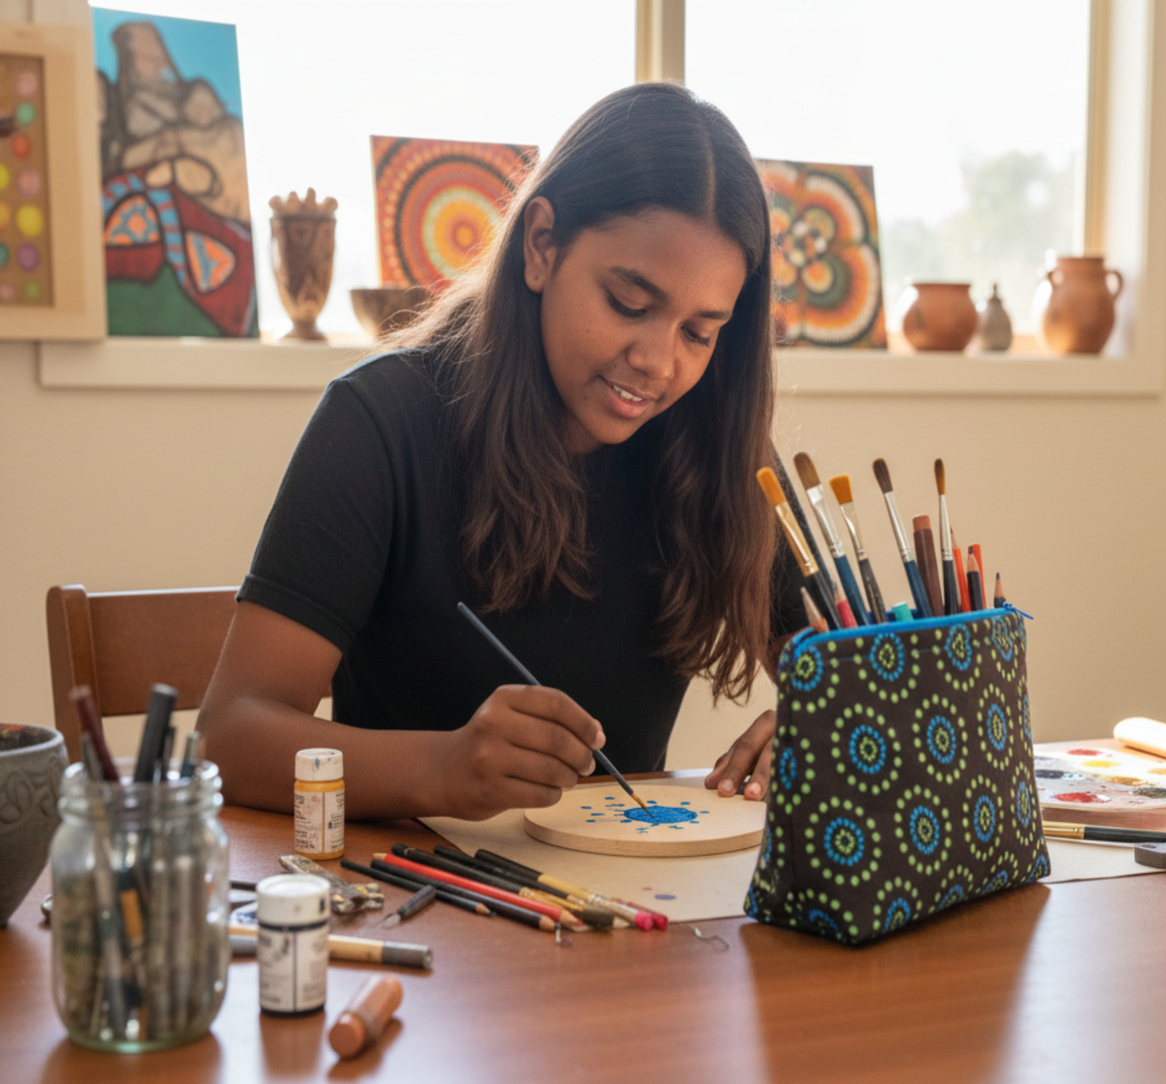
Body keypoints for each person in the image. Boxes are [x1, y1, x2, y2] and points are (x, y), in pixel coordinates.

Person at [199, 83, 806, 821]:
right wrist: (440, 769)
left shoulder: (716, 448)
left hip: (632, 889)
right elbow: (229, 737)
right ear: (541, 245)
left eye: (699, 333)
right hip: (409, 879)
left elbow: (850, 670)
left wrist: (824, 724)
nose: (658, 361)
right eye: (629, 303)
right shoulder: (380, 424)